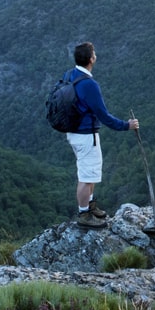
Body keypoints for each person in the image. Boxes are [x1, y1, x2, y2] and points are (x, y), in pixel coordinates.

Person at [65, 41, 139, 229]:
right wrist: (126, 125)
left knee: (90, 172)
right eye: (94, 53)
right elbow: (103, 115)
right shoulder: (89, 84)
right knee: (86, 175)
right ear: (91, 59)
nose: (96, 56)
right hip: (85, 135)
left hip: (75, 132)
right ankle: (83, 214)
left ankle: (89, 206)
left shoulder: (71, 75)